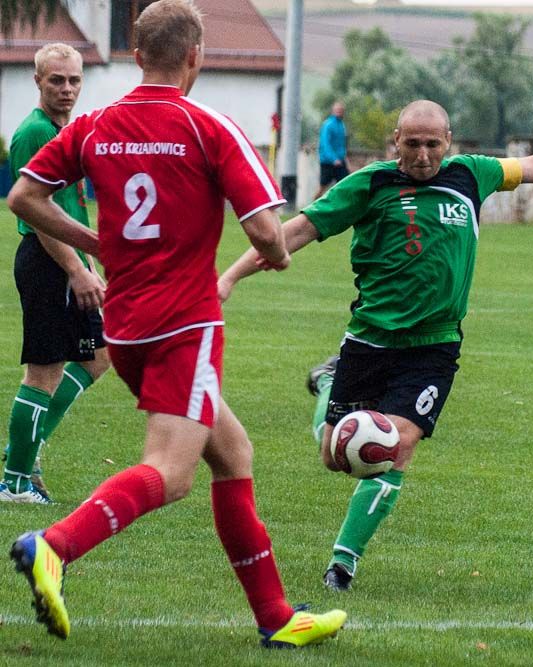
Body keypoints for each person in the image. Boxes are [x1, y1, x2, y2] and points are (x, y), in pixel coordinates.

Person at [218, 99, 533, 591]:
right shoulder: (370, 185)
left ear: (448, 142)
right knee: (334, 454)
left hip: (433, 348)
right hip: (369, 339)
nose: (424, 155)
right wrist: (231, 277)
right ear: (396, 141)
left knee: (396, 446)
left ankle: (343, 564)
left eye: (433, 144)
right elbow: (298, 228)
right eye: (413, 144)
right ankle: (328, 380)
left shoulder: (471, 176)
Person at [6, 0, 345, 647]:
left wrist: (96, 241)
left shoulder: (97, 125)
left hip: (127, 329)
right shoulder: (208, 127)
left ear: (136, 56)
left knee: (234, 453)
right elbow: (266, 230)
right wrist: (273, 255)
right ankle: (52, 545)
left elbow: (24, 196)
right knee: (171, 471)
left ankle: (276, 616)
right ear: (196, 56)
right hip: (185, 327)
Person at [0, 43, 110, 504]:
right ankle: (15, 481)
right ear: (38, 81)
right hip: (49, 262)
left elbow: (68, 206)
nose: (67, 89)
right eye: (56, 81)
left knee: (98, 357)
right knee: (42, 373)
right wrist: (75, 268)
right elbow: (39, 214)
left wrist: (89, 262)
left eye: (74, 81)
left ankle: (24, 450)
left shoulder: (64, 128)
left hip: (70, 261)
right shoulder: (34, 131)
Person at [314, 101, 348, 199]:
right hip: (328, 161)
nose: (339, 112)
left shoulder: (342, 125)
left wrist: (345, 159)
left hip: (340, 161)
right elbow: (325, 144)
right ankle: (311, 207)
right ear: (333, 111)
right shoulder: (328, 125)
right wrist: (333, 159)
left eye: (341, 111)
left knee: (344, 184)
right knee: (323, 186)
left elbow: (342, 145)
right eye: (337, 110)